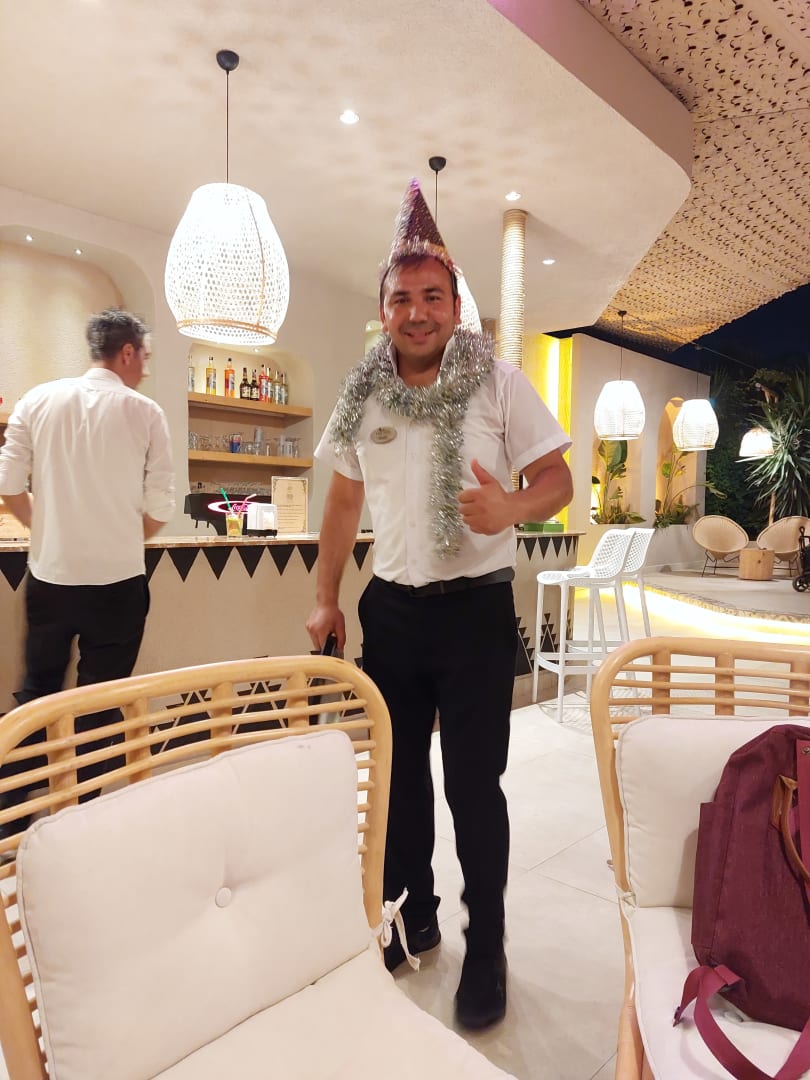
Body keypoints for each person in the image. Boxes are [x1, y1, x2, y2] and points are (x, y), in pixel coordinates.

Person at [307, 181, 573, 1030]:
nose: (416, 312)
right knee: (398, 780)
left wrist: (513, 507)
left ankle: (485, 946)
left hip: (474, 616)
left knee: (473, 787)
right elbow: (343, 501)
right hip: (391, 610)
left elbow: (558, 479)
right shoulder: (361, 393)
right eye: (401, 298)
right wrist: (325, 599)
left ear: (456, 306)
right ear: (382, 309)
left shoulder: (497, 381)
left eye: (432, 296)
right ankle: (410, 912)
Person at [0, 307, 175, 834]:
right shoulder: (146, 413)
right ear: (127, 352)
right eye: (144, 356)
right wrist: (117, 536)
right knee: (100, 705)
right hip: (118, 587)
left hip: (50, 580)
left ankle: (8, 819)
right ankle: (76, 821)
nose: (145, 368)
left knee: (37, 696)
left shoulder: (37, 400)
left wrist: (47, 529)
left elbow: (8, 484)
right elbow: (160, 509)